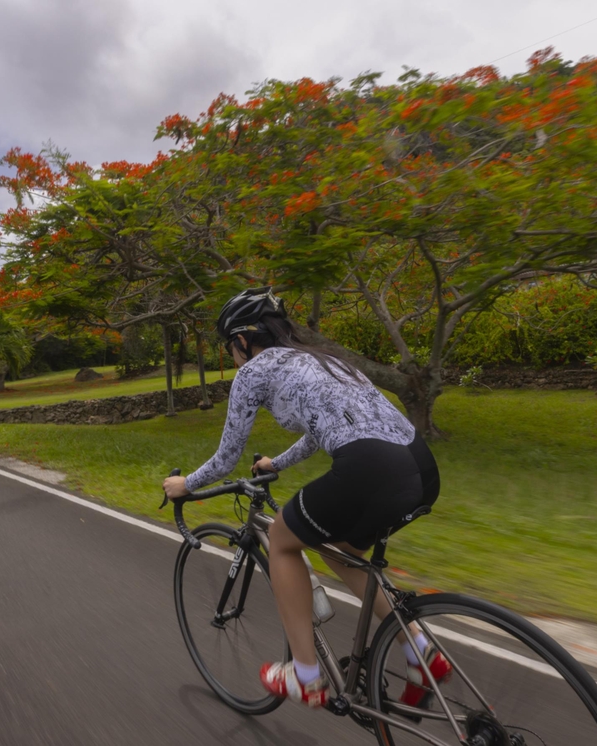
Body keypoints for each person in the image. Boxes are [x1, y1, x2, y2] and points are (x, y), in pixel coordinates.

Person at [162, 287, 450, 709]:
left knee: (280, 539)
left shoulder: (254, 371)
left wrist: (185, 485)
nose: (234, 355)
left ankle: (305, 675)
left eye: (232, 346)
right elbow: (322, 427)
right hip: (419, 468)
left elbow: (226, 458)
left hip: (371, 467)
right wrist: (276, 461)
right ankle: (419, 651)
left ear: (243, 339)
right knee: (342, 548)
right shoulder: (323, 360)